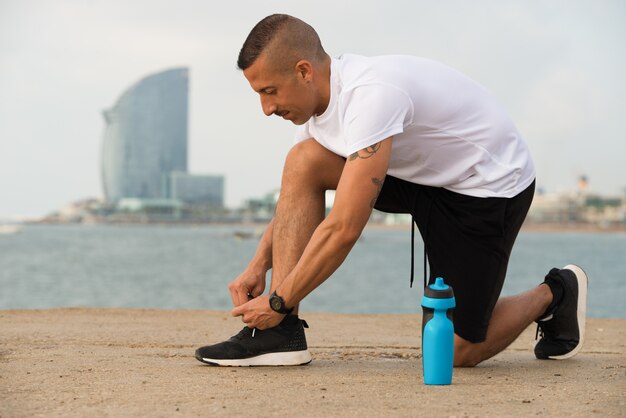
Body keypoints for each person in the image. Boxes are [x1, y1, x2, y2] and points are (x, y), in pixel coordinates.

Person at [195, 14, 587, 367]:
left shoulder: (371, 96)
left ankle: (555, 293)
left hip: (485, 187)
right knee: (303, 161)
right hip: (420, 175)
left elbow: (344, 226)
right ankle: (279, 337)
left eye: (269, 91)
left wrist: (277, 301)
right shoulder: (315, 111)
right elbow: (295, 201)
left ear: (304, 71)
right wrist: (258, 265)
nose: (265, 108)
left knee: (452, 351)